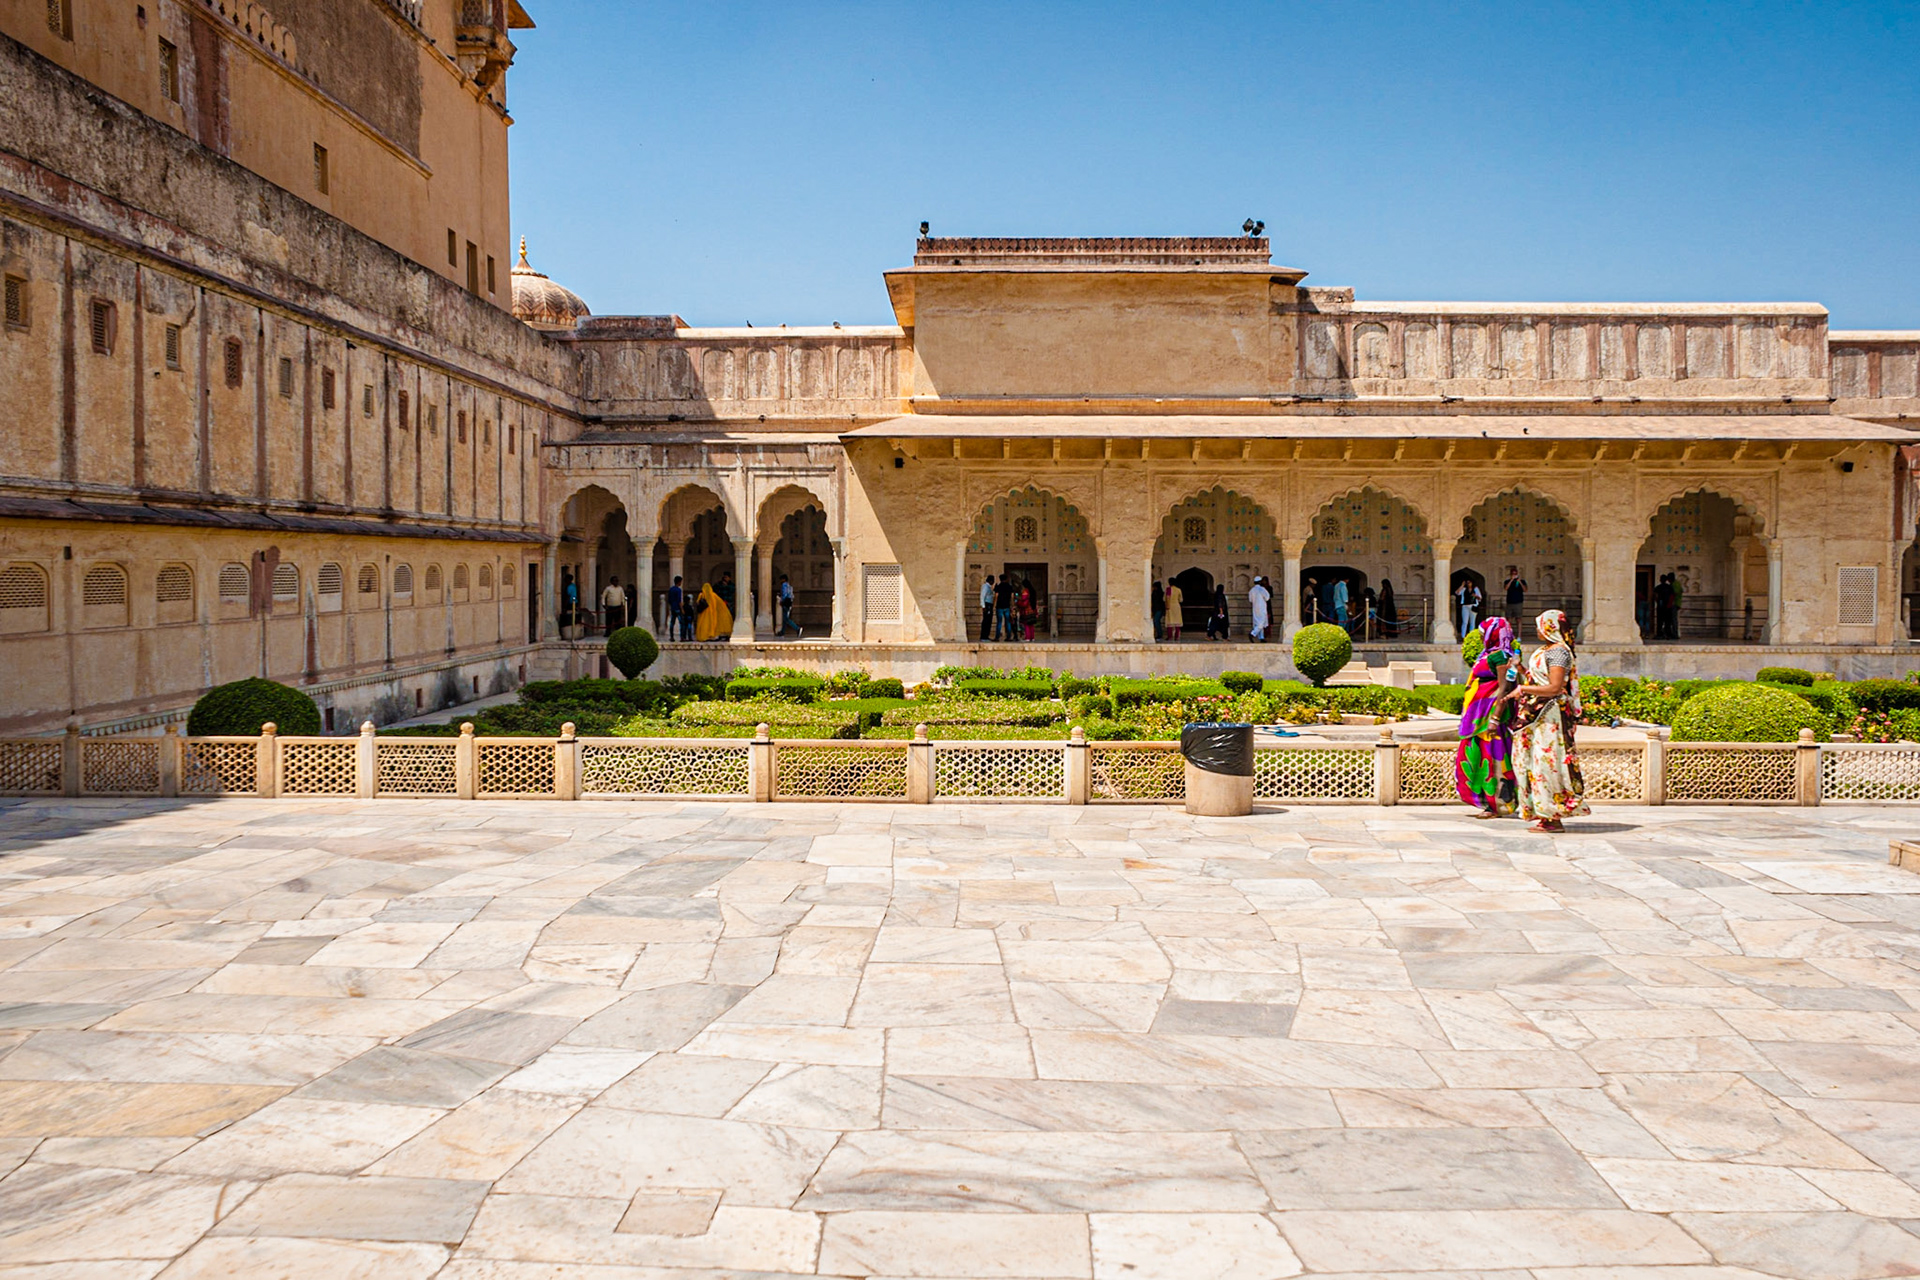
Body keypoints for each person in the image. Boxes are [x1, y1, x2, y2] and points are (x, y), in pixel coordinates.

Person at [1500, 609, 1589, 833]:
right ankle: (1542, 813)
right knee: (1530, 762)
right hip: (1535, 713)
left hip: (1549, 714)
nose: (1538, 629)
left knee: (1547, 763)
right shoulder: (1546, 649)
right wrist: (1521, 670)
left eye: (1541, 625)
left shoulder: (1559, 652)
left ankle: (1554, 815)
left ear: (1551, 626)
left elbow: (1554, 687)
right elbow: (1539, 678)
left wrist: (1522, 689)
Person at [1454, 617, 1519, 818]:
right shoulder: (1489, 654)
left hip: (1489, 718)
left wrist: (1495, 718)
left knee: (1493, 759)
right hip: (1478, 719)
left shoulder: (1500, 656)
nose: (1481, 636)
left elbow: (1504, 687)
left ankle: (1496, 804)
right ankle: (1487, 802)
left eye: (1484, 633)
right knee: (1477, 758)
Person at [994, 573, 1016, 642]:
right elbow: (1012, 597)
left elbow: (996, 596)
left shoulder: (998, 586)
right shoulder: (1009, 587)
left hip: (999, 606)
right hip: (1007, 606)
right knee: (1008, 622)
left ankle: (997, 637)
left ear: (1000, 579)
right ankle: (1008, 637)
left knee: (999, 622)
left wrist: (994, 605)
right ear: (1006, 579)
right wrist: (1012, 606)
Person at [1652, 574, 1674, 640]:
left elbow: (1656, 596)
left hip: (1661, 606)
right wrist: (1669, 604)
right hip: (1668, 606)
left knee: (1660, 621)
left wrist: (1658, 602)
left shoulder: (1658, 587)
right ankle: (1668, 634)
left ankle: (1659, 634)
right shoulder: (1669, 587)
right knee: (1668, 621)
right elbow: (1672, 596)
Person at [1249, 576, 1271, 641]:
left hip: (1255, 608)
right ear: (1260, 582)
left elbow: (1250, 600)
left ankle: (1261, 637)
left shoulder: (1252, 590)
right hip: (1262, 608)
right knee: (1262, 622)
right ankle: (1253, 633)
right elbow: (1267, 597)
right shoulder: (1262, 589)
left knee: (1257, 622)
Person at [665, 575, 686, 642]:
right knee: (681, 623)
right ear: (679, 582)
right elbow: (679, 600)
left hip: (673, 608)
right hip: (677, 608)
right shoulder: (678, 590)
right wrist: (682, 609)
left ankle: (671, 637)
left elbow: (669, 600)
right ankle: (682, 637)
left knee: (672, 623)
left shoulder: (671, 589)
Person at [979, 574, 996, 642]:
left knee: (989, 621)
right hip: (987, 605)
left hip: (989, 604)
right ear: (990, 580)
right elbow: (982, 596)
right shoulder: (985, 587)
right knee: (986, 621)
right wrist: (983, 606)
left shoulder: (989, 587)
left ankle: (986, 636)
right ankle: (984, 636)